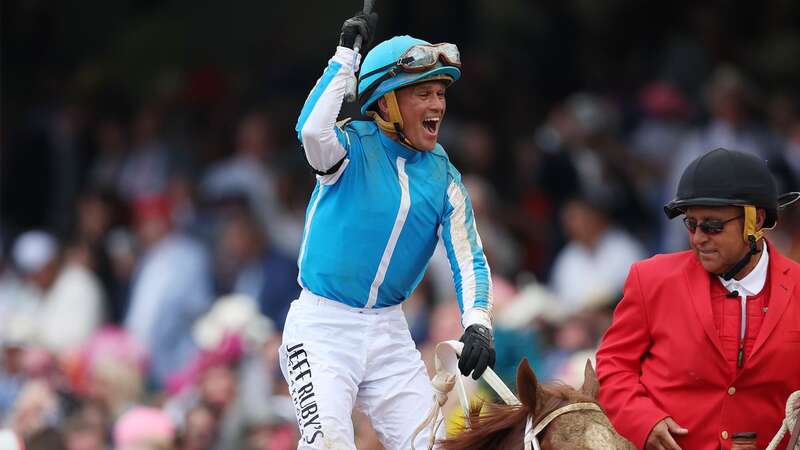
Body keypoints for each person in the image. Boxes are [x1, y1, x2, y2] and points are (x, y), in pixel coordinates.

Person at [281, 11, 495, 450]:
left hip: (389, 334)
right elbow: (311, 130)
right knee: (328, 443)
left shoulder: (445, 179)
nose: (437, 105)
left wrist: (478, 323)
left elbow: (468, 256)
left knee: (436, 446)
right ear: (387, 102)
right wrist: (344, 58)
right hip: (321, 326)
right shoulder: (349, 147)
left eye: (440, 93)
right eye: (423, 93)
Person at [596, 147, 800, 450]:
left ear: (755, 221)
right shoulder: (650, 278)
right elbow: (613, 367)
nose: (697, 238)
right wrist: (643, 420)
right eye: (691, 224)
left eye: (712, 226)